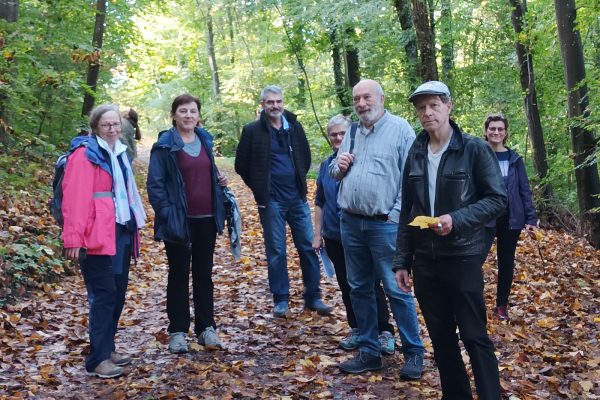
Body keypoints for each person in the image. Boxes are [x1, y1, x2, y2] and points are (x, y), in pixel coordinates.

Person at [394, 81, 507, 399]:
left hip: (463, 256)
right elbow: (408, 210)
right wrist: (402, 260)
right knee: (442, 340)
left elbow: (498, 200)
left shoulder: (473, 149)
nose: (427, 112)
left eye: (433, 105)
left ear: (448, 106)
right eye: (421, 107)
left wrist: (455, 220)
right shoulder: (415, 153)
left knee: (474, 336)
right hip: (426, 261)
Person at [329, 79, 425, 377]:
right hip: (351, 223)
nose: (361, 103)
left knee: (397, 290)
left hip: (385, 225)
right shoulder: (353, 131)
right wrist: (339, 166)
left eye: (366, 97)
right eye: (356, 99)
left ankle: (414, 352)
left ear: (381, 98)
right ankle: (369, 350)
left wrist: (396, 214)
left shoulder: (400, 129)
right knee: (359, 288)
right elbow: (334, 173)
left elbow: (413, 176)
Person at [62, 104, 146, 378]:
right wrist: (74, 238)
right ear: (96, 126)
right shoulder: (85, 155)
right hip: (95, 237)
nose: (112, 128)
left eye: (115, 124)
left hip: (120, 231)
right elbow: (75, 199)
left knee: (118, 292)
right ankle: (97, 359)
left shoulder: (119, 152)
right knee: (104, 296)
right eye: (106, 124)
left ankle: (107, 348)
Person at [235, 85, 333, 318]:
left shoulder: (294, 127)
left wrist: (299, 178)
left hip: (297, 198)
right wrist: (260, 188)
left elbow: (305, 156)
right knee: (276, 251)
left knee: (309, 247)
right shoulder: (252, 131)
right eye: (270, 102)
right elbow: (241, 165)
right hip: (272, 201)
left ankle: (313, 296)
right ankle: (281, 299)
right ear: (262, 105)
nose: (275, 106)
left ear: (283, 102)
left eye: (278, 101)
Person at [147, 94, 227, 354]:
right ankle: (178, 331)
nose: (189, 115)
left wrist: (219, 182)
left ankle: (206, 329)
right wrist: (168, 215)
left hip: (206, 218)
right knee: (178, 275)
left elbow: (207, 172)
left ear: (198, 115)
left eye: (193, 111)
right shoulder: (164, 145)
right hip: (179, 221)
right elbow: (155, 185)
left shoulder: (204, 139)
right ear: (174, 115)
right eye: (183, 111)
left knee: (204, 275)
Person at [313, 115, 397, 355]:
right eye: (334, 134)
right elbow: (320, 200)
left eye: (342, 133)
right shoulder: (326, 165)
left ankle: (384, 331)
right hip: (334, 234)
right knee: (347, 284)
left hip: (361, 234)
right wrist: (317, 234)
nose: (338, 138)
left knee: (371, 283)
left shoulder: (361, 161)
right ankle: (358, 328)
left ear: (350, 134)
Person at [482, 113, 538, 321]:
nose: (496, 132)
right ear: (486, 131)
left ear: (505, 133)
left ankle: (501, 305)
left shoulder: (515, 159)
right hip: (484, 218)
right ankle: (473, 301)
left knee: (506, 262)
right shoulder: (478, 154)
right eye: (492, 129)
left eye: (500, 129)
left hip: (511, 218)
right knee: (474, 260)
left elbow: (524, 190)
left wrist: (531, 219)